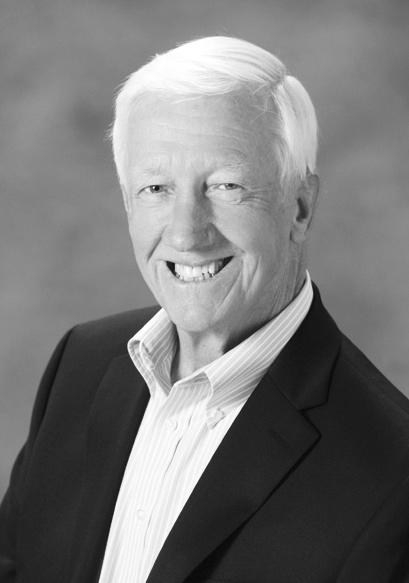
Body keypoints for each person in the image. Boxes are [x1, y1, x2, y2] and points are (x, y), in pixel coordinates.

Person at [1, 36, 409, 583]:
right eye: (156, 187)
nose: (186, 233)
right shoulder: (80, 367)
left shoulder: (392, 479)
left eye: (225, 186)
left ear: (300, 206)